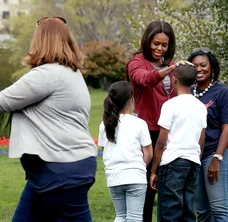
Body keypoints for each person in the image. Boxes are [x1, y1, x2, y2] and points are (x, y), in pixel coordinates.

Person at [0, 17, 97, 221]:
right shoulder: (71, 73)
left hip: (60, 171)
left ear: (41, 41)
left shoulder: (47, 75)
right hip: (55, 169)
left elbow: (3, 101)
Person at [125, 19, 176, 222]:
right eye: (156, 43)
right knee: (144, 187)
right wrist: (170, 70)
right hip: (144, 132)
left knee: (163, 184)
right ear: (147, 41)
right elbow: (145, 79)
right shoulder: (136, 62)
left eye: (164, 45)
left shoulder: (170, 64)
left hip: (166, 132)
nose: (159, 48)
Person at [150, 61, 207, 221]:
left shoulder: (170, 105)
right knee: (188, 209)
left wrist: (154, 170)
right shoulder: (201, 106)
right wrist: (197, 158)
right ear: (195, 81)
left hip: (172, 162)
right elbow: (201, 140)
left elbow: (161, 143)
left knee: (170, 211)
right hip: (193, 162)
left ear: (174, 79)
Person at [188, 48, 228, 222]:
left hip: (214, 154)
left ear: (212, 67)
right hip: (194, 157)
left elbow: (227, 128)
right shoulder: (188, 92)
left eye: (203, 65)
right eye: (194, 66)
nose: (199, 69)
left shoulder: (223, 93)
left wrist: (217, 158)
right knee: (202, 211)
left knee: (218, 208)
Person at [101, 81, 153, 222]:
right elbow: (148, 153)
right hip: (135, 176)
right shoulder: (139, 123)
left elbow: (104, 149)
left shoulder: (104, 124)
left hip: (114, 177)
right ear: (131, 101)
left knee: (120, 216)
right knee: (134, 218)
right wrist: (140, 166)